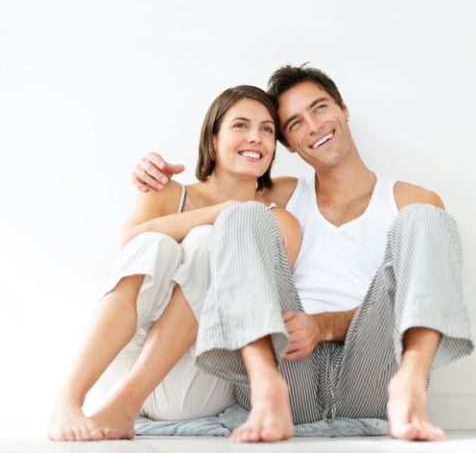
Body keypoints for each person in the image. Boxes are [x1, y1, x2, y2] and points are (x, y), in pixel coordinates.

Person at [133, 64, 475, 442]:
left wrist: (324, 325)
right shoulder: (278, 195)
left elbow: (420, 294)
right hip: (287, 364)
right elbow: (215, 209)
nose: (312, 126)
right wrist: (158, 179)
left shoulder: (411, 201)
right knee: (243, 215)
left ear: (342, 110)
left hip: (376, 369)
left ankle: (409, 387)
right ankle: (266, 391)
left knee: (428, 219)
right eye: (294, 124)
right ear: (288, 145)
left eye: (320, 108)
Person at [48, 85, 301, 441]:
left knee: (207, 240)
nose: (255, 138)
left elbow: (255, 304)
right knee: (152, 244)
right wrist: (220, 212)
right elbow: (130, 244)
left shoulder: (279, 222)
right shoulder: (168, 192)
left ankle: (126, 405)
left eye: (267, 130)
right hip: (126, 362)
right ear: (213, 140)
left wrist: (228, 221)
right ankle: (69, 398)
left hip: (195, 383)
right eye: (241, 125)